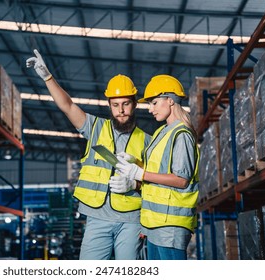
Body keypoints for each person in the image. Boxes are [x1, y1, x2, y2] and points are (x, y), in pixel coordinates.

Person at [26, 49, 151, 260]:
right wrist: (48, 78)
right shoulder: (95, 127)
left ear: (135, 103)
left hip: (132, 221)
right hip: (97, 218)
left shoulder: (148, 141)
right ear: (109, 105)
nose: (121, 110)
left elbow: (155, 183)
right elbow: (68, 106)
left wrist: (136, 185)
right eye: (115, 105)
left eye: (126, 104)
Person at [115, 74, 199, 260]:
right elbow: (159, 169)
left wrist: (139, 173)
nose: (150, 109)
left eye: (154, 102)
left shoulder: (181, 134)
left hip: (171, 226)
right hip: (154, 224)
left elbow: (181, 179)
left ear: (169, 100)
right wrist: (134, 163)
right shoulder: (162, 131)